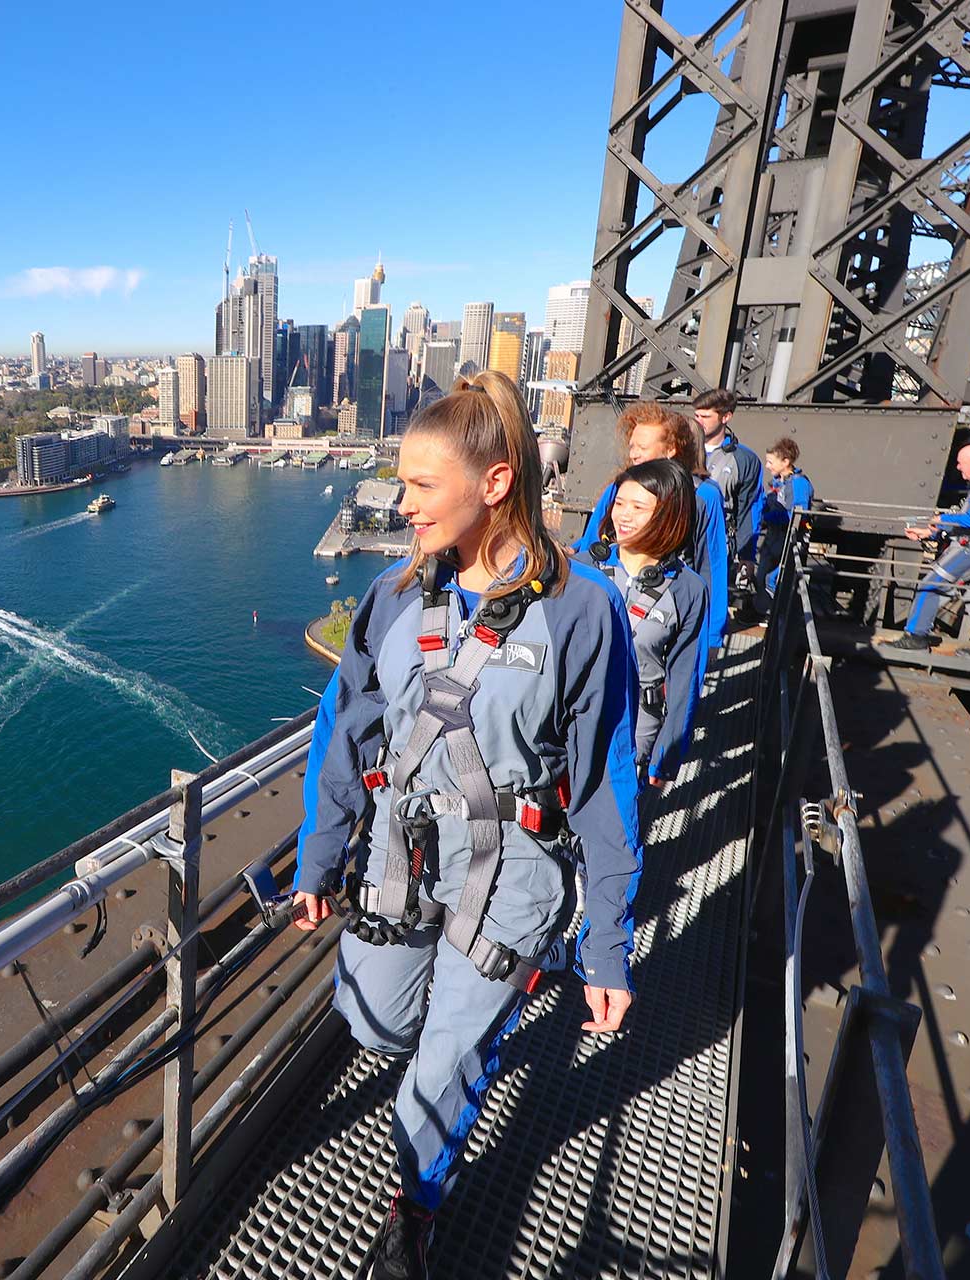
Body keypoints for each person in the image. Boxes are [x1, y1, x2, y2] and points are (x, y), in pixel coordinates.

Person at [292, 371, 644, 1280]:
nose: (399, 503)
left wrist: (608, 938)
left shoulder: (581, 609)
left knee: (438, 1068)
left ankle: (416, 1212)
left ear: (493, 485)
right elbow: (347, 732)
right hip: (400, 850)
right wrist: (317, 859)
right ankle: (473, 1018)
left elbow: (605, 779)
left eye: (418, 486)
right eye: (400, 483)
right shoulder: (393, 596)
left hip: (513, 865)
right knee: (372, 1022)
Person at [572, 402, 729, 665]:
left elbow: (711, 563)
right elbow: (591, 546)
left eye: (642, 448)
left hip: (668, 613)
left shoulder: (703, 497)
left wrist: (712, 633)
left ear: (670, 449)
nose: (634, 454)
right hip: (608, 603)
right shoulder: (617, 489)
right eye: (632, 446)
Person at [586, 459, 710, 790]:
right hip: (574, 722)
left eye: (638, 507)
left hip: (634, 729)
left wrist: (667, 754)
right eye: (620, 503)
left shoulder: (688, 590)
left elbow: (685, 678)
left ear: (668, 515)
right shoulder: (583, 569)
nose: (622, 515)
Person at [882, 442, 970, 662]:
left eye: (960, 462)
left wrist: (942, 519)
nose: (957, 467)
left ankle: (915, 637)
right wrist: (931, 532)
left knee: (931, 586)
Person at [692, 389, 764, 592]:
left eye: (706, 416)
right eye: (696, 415)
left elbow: (748, 509)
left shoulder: (744, 460)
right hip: (678, 537)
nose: (699, 421)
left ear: (726, 417)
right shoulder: (678, 449)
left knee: (708, 598)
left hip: (717, 542)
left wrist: (747, 556)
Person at [758, 437, 813, 593]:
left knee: (776, 582)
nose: (767, 466)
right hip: (774, 541)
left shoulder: (798, 484)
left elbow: (797, 515)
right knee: (762, 578)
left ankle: (780, 616)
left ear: (785, 461)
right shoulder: (778, 483)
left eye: (771, 462)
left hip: (788, 543)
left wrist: (768, 517)